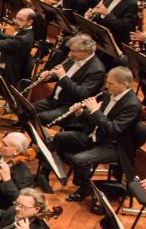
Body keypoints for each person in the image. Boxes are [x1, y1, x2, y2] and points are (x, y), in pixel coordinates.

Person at [50, 66, 141, 202]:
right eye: (107, 82)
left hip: (114, 145)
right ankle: (50, 171)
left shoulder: (132, 105)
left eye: (111, 84)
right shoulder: (111, 94)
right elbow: (101, 118)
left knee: (80, 160)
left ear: (125, 84)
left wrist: (94, 111)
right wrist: (82, 112)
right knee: (59, 138)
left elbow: (113, 130)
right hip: (97, 136)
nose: (106, 86)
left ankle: (84, 189)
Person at [32, 33, 106, 129]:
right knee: (28, 109)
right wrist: (48, 77)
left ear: (85, 52)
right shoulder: (74, 58)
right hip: (54, 100)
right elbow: (59, 74)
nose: (69, 54)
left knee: (42, 117)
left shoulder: (97, 70)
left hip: (70, 106)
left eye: (73, 51)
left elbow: (83, 93)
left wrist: (63, 76)